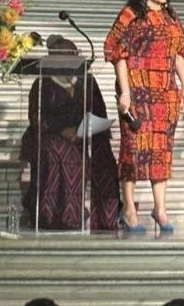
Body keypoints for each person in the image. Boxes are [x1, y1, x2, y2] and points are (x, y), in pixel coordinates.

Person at [104, 0, 184, 233]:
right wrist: (125, 91)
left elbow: (178, 54)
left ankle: (160, 209)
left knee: (161, 153)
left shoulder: (171, 18)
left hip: (165, 94)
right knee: (133, 151)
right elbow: (117, 51)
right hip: (138, 93)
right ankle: (129, 209)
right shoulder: (130, 15)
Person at [19, 35, 119, 231]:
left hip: (82, 133)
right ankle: (54, 215)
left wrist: (86, 129)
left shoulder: (88, 81)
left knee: (101, 156)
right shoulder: (42, 84)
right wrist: (62, 130)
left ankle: (99, 216)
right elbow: (36, 117)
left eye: (75, 54)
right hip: (50, 134)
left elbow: (98, 111)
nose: (74, 57)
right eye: (68, 54)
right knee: (60, 152)